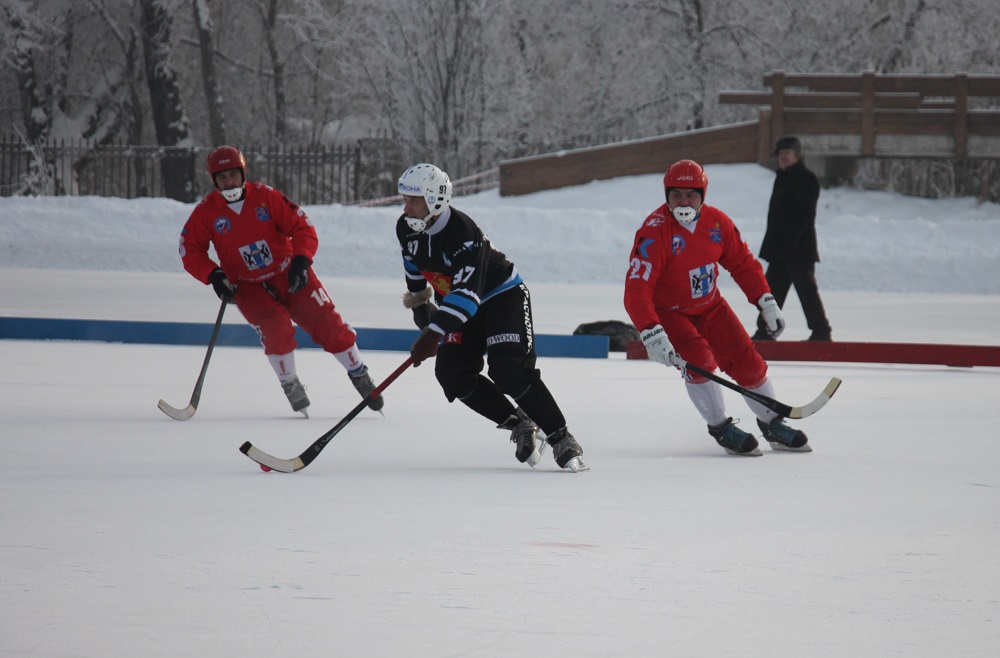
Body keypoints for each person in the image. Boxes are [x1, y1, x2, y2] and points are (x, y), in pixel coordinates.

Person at [395, 163, 587, 472]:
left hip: (501, 297)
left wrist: (431, 334)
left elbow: (467, 299)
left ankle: (561, 436)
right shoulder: (406, 228)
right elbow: (413, 267)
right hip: (458, 305)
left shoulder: (463, 233)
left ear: (435, 200)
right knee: (451, 373)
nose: (406, 207)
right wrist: (420, 306)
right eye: (404, 199)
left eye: (413, 200)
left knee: (509, 370)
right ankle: (518, 424)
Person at [624, 159, 812, 456]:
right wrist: (650, 331)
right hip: (671, 313)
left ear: (702, 195)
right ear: (667, 196)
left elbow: (742, 262)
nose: (683, 202)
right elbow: (637, 287)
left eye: (690, 195)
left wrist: (766, 300)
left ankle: (772, 423)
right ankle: (721, 427)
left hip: (711, 306)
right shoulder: (655, 231)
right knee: (700, 363)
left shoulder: (717, 222)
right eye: (676, 195)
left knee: (746, 359)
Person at [179, 145, 383, 416]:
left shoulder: (266, 196)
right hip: (247, 285)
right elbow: (189, 249)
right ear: (214, 180)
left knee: (326, 321)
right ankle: (290, 383)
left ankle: (359, 374)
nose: (229, 182)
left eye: (233, 174)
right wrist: (214, 276)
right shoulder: (207, 211)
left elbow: (302, 227)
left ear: (243, 172)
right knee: (275, 330)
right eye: (222, 177)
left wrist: (301, 260)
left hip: (289, 274)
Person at [753, 136, 833, 342]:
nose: (783, 158)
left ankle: (821, 332)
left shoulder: (807, 178)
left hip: (798, 249)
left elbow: (805, 215)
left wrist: (792, 240)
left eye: (787, 153)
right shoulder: (781, 177)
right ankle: (764, 331)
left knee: (807, 293)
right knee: (771, 293)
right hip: (780, 250)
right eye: (780, 155)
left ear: (797, 155)